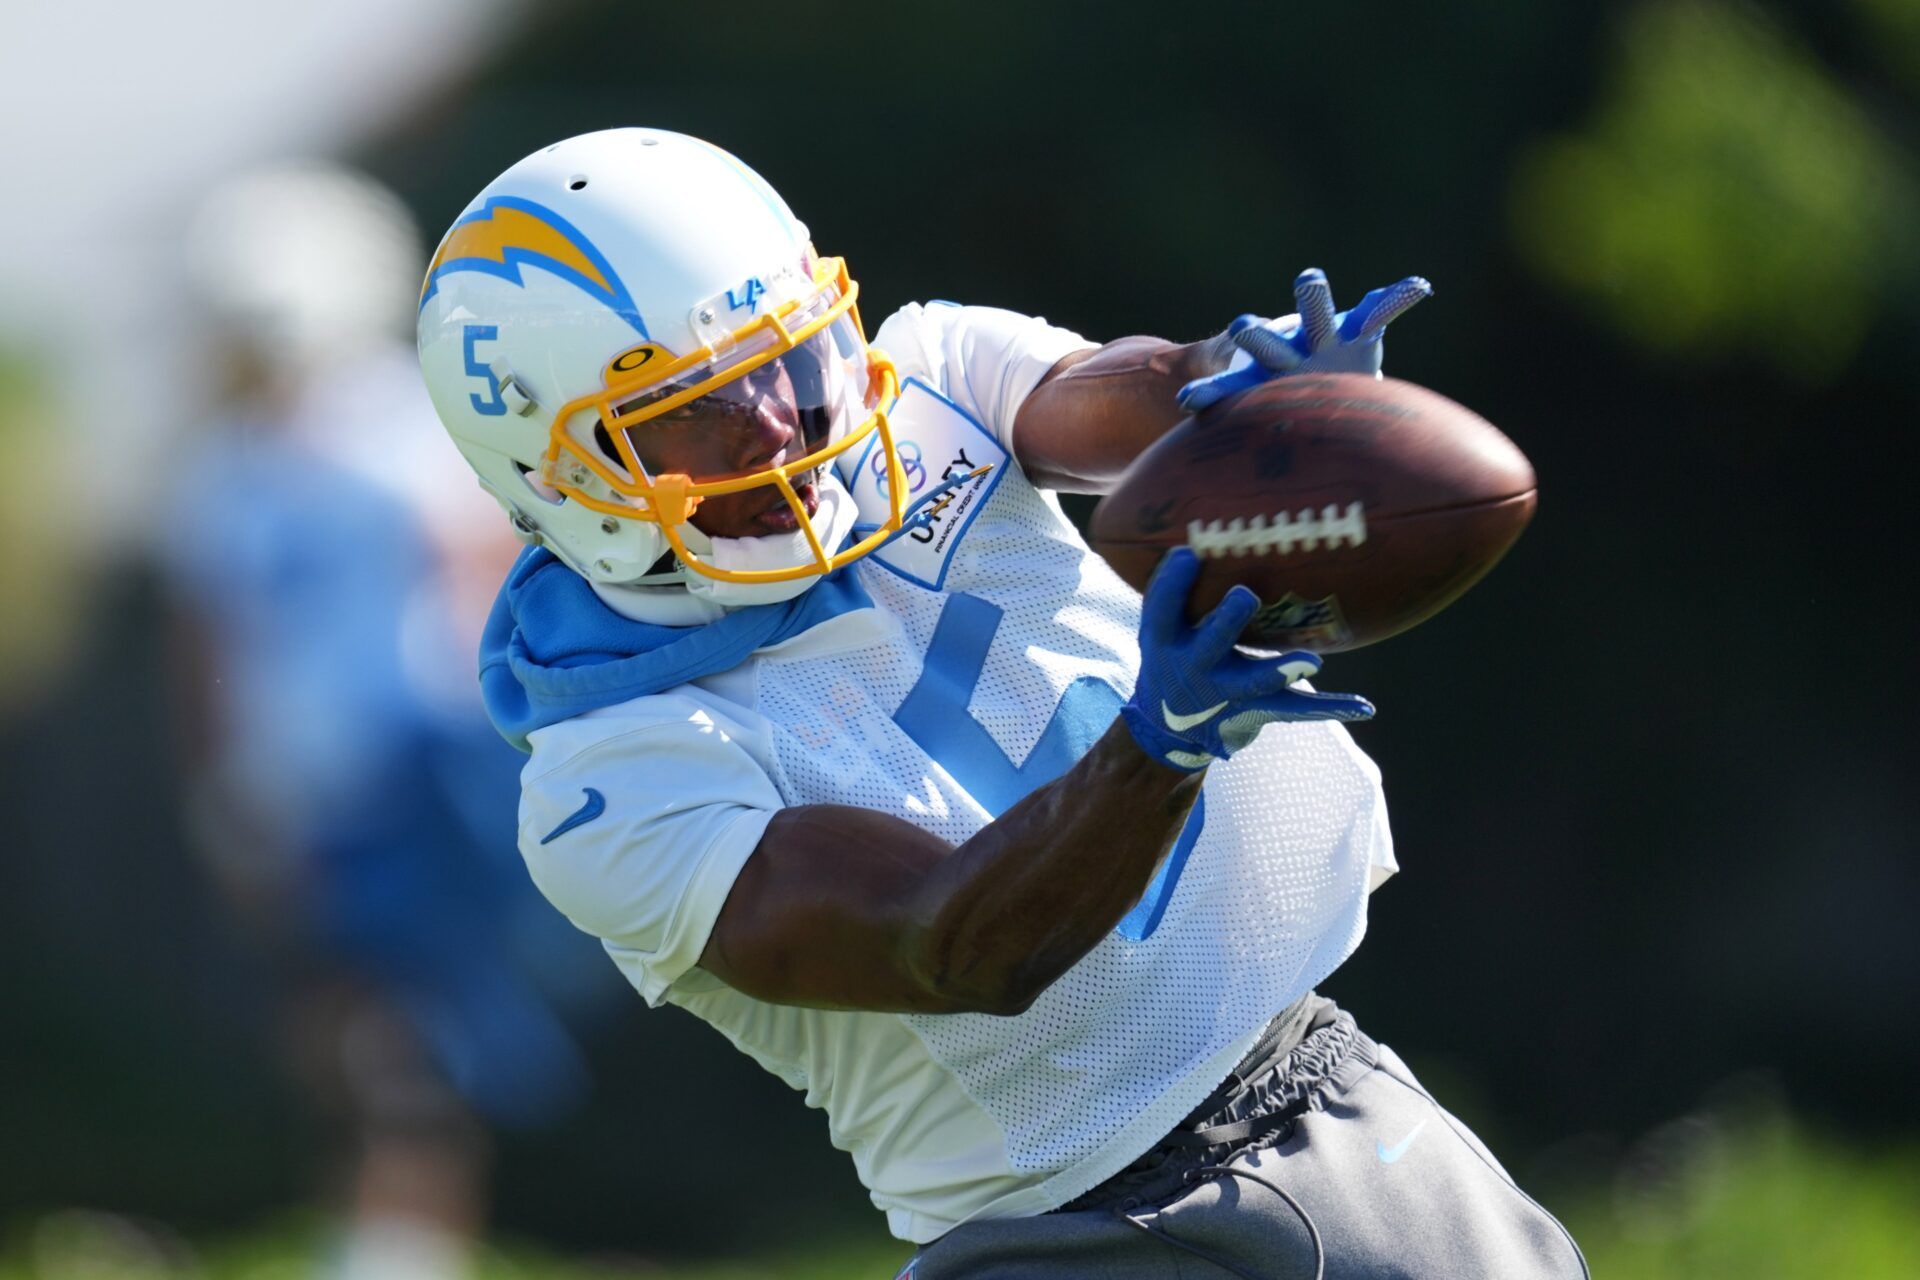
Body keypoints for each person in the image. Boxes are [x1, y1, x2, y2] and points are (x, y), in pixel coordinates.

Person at [417, 127, 1587, 1278]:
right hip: (1059, 1233)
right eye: (700, 404)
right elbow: (952, 944)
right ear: (558, 470)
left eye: (790, 358)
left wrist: (1245, 396)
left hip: (1322, 1090)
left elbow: (1119, 398)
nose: (781, 420)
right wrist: (1157, 750)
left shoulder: (932, 379)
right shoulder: (607, 778)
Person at [167, 162, 617, 1280]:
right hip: (312, 795)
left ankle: (394, 1247)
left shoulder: (403, 422)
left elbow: (491, 575)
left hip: (426, 771)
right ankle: (396, 1238)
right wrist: (227, 799)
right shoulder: (220, 469)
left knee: (400, 1033)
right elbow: (211, 657)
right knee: (345, 1029)